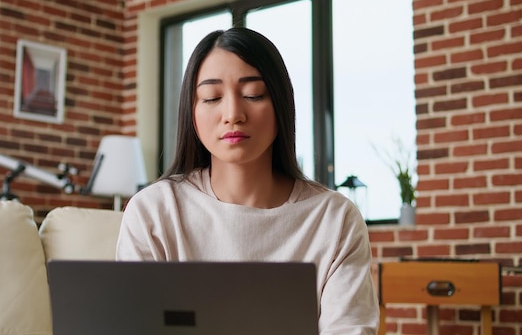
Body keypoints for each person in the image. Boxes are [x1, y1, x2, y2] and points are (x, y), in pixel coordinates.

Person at [116, 27, 379, 334]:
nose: (233, 114)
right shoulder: (155, 211)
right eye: (212, 97)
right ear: (192, 112)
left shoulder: (334, 220)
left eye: (253, 94)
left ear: (281, 105)